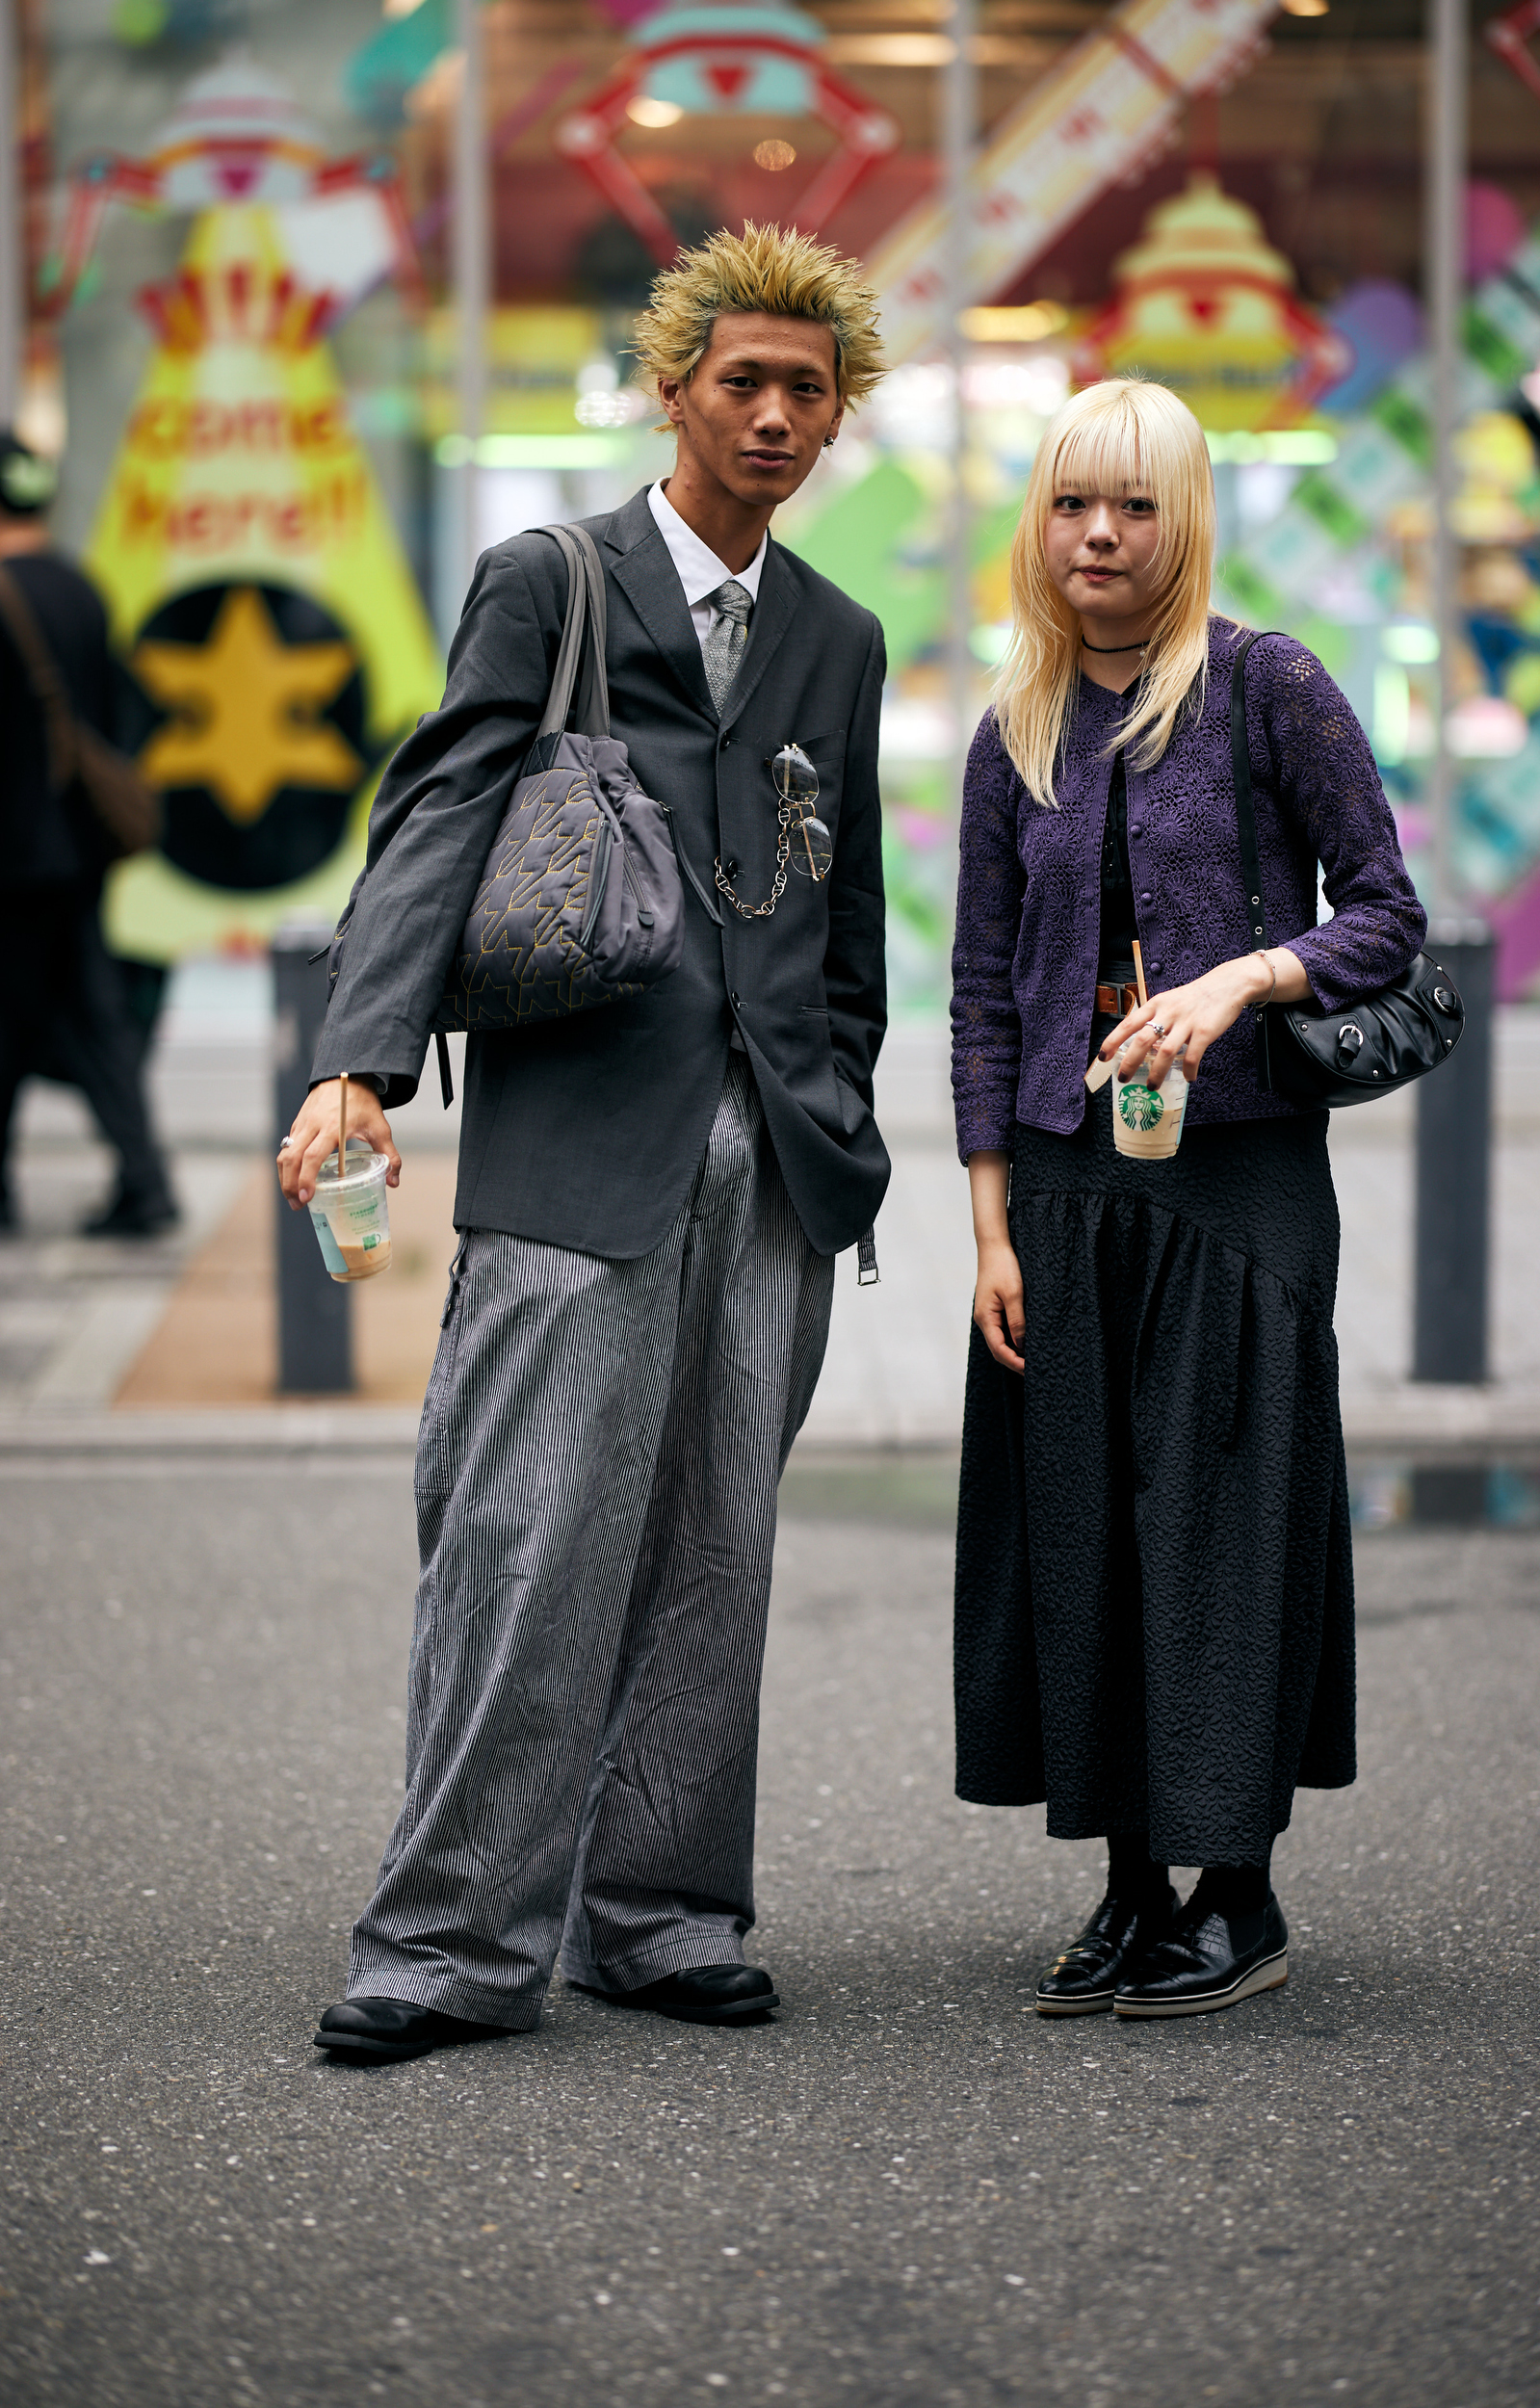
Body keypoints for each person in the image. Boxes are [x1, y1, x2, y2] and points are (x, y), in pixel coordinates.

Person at [276, 223, 890, 2064]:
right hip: (578, 1139)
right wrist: (362, 1061)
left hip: (771, 1156)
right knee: (527, 1538)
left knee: (719, 1550)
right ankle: (450, 1942)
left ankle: (656, 1912)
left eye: (809, 391)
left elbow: (846, 902)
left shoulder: (839, 638)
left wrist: (840, 1100)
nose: (775, 417)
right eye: (745, 384)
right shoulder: (551, 581)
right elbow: (438, 819)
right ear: (673, 389)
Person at [950, 377, 1425, 2021]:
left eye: (1136, 505)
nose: (1101, 533)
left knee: (1220, 1534)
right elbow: (978, 1001)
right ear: (1040, 516)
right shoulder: (1012, 727)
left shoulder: (1262, 687)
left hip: (1237, 1187)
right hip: (1067, 1193)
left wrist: (1242, 982)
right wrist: (990, 1228)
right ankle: (1125, 1888)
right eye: (1076, 500)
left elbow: (1385, 915)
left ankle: (1237, 1892)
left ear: (1184, 521)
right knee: (1080, 1539)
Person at [0, 432, 176, 1236]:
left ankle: (139, 1184)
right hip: (78, 852)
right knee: (92, 1017)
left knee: (28, 1020)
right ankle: (144, 1182)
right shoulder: (82, 589)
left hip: (15, 856)